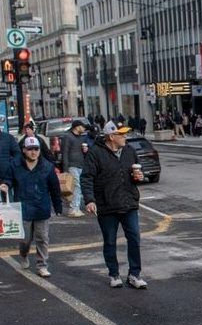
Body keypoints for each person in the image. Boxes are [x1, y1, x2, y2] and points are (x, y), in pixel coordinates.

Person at [81, 121, 147, 289]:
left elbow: (137, 173)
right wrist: (89, 199)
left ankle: (134, 274)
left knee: (134, 238)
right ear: (111, 137)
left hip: (129, 202)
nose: (125, 137)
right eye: (121, 134)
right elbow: (86, 177)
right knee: (110, 241)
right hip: (107, 205)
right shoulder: (95, 153)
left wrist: (139, 176)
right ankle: (114, 274)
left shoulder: (129, 151)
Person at [0, 137, 62, 277]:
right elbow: (8, 178)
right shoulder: (15, 165)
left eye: (36, 149)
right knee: (25, 239)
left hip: (42, 207)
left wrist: (58, 206)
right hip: (23, 207)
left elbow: (54, 188)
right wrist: (6, 184)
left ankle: (42, 265)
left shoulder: (47, 166)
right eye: (30, 149)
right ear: (24, 150)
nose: (33, 152)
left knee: (42, 237)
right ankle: (24, 254)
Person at [60, 119, 88, 217]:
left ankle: (76, 208)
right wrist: (65, 169)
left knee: (79, 186)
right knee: (77, 186)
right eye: (82, 126)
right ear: (77, 127)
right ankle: (73, 209)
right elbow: (65, 152)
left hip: (80, 164)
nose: (84, 128)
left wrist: (85, 150)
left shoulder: (81, 138)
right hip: (72, 165)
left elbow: (80, 151)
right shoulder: (68, 137)